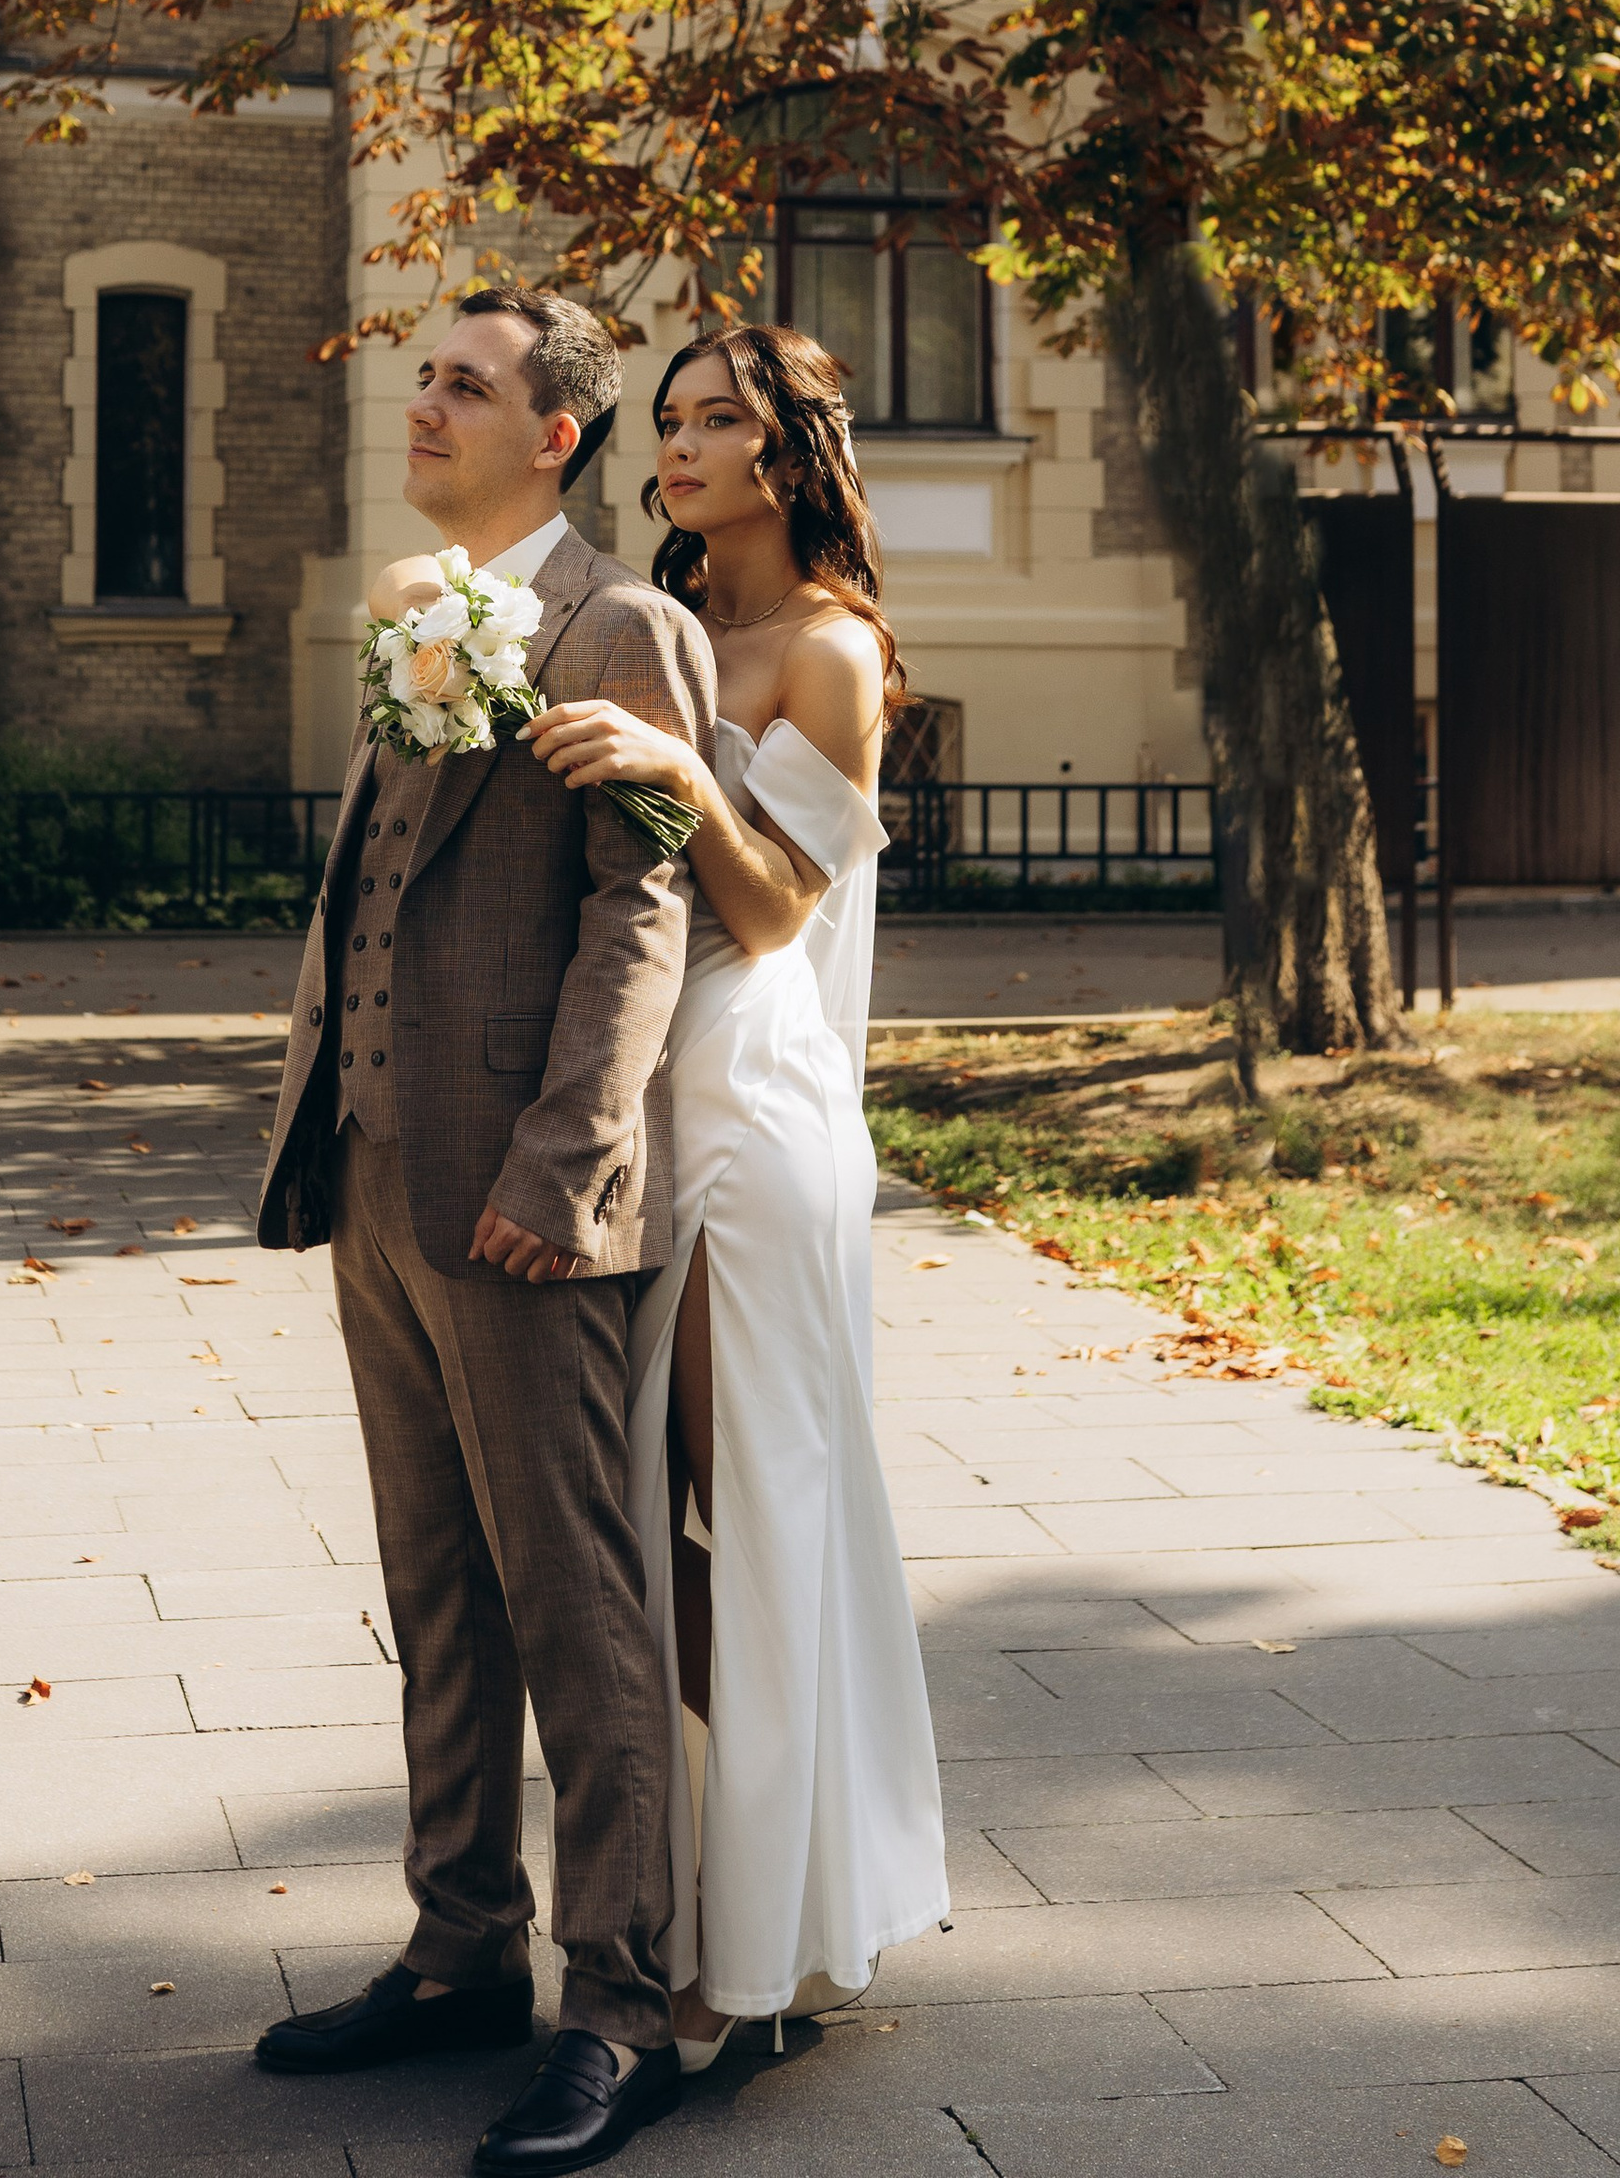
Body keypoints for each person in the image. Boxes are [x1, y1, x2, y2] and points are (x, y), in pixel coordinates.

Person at [252, 283, 718, 2175]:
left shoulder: (628, 623)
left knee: (577, 1597)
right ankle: (462, 1950)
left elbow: (643, 910)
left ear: (560, 436)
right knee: (434, 1590)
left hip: (523, 1200)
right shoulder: (416, 613)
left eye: (465, 384)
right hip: (377, 1168)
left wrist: (568, 1158)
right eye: (420, 375)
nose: (421, 404)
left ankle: (620, 2001)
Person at [524, 323, 947, 2063]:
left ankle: (757, 1957)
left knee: (738, 1520)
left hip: (752, 1114)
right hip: (644, 1095)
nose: (680, 446)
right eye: (674, 419)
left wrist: (683, 770)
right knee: (646, 1530)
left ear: (791, 457)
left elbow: (777, 910)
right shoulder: (666, 626)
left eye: (720, 421)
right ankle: (750, 1879)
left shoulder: (830, 651)